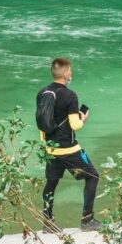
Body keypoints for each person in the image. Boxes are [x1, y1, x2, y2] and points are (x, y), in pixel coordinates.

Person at [36, 57, 101, 233]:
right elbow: (75, 125)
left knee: (51, 184)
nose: (71, 73)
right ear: (65, 74)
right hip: (69, 150)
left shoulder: (42, 92)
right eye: (70, 71)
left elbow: (43, 122)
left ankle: (48, 223)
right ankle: (87, 220)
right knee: (92, 177)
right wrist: (83, 119)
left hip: (50, 150)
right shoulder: (69, 95)